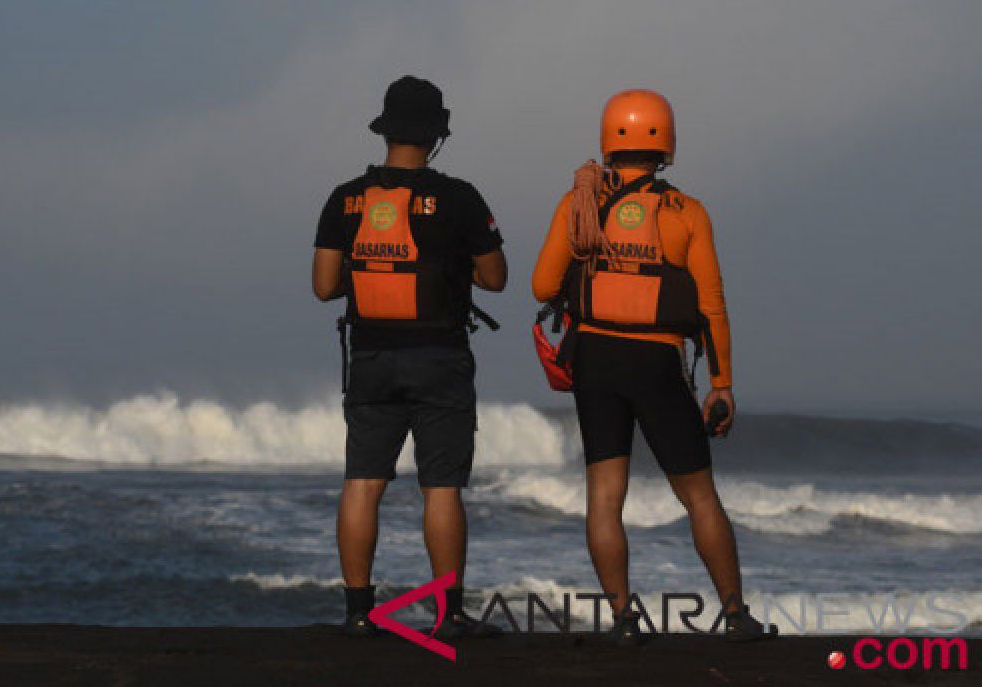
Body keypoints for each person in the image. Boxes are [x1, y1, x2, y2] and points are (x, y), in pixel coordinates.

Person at [532, 89, 776, 645]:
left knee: (604, 497)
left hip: (595, 360)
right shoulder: (686, 213)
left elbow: (543, 287)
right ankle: (735, 616)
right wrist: (722, 384)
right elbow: (712, 305)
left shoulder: (578, 205)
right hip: (657, 361)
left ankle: (623, 622)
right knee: (698, 496)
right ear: (666, 142)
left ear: (607, 139)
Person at [312, 76, 507, 638]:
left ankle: (357, 613)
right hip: (440, 357)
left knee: (363, 483)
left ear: (385, 130)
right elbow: (495, 279)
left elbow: (324, 286)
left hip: (371, 355)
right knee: (440, 488)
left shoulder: (344, 198)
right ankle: (447, 617)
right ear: (437, 135)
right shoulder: (459, 197)